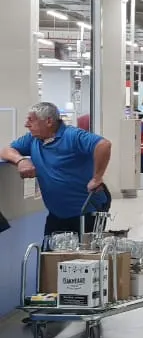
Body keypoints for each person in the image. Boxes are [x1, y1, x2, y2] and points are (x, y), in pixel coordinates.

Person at [0, 102, 113, 239]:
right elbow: (6, 150)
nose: (26, 124)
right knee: (50, 249)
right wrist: (21, 160)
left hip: (86, 209)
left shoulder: (72, 136)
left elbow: (103, 145)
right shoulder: (33, 139)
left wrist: (97, 178)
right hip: (57, 213)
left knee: (84, 250)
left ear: (48, 121)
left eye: (31, 120)